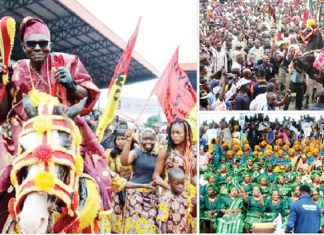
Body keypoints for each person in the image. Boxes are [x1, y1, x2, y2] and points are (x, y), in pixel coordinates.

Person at [120, 128, 159, 234]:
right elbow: (124, 161)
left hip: (152, 194)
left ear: (155, 140)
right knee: (134, 226)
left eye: (151, 139)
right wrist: (128, 140)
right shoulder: (136, 152)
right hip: (135, 193)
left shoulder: (159, 154)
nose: (148, 142)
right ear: (141, 140)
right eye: (145, 139)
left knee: (150, 226)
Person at [157, 167, 197, 234]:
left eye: (182, 183)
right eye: (177, 184)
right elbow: (163, 222)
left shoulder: (186, 198)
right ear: (169, 183)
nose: (180, 186)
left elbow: (194, 215)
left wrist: (195, 205)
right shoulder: (166, 199)